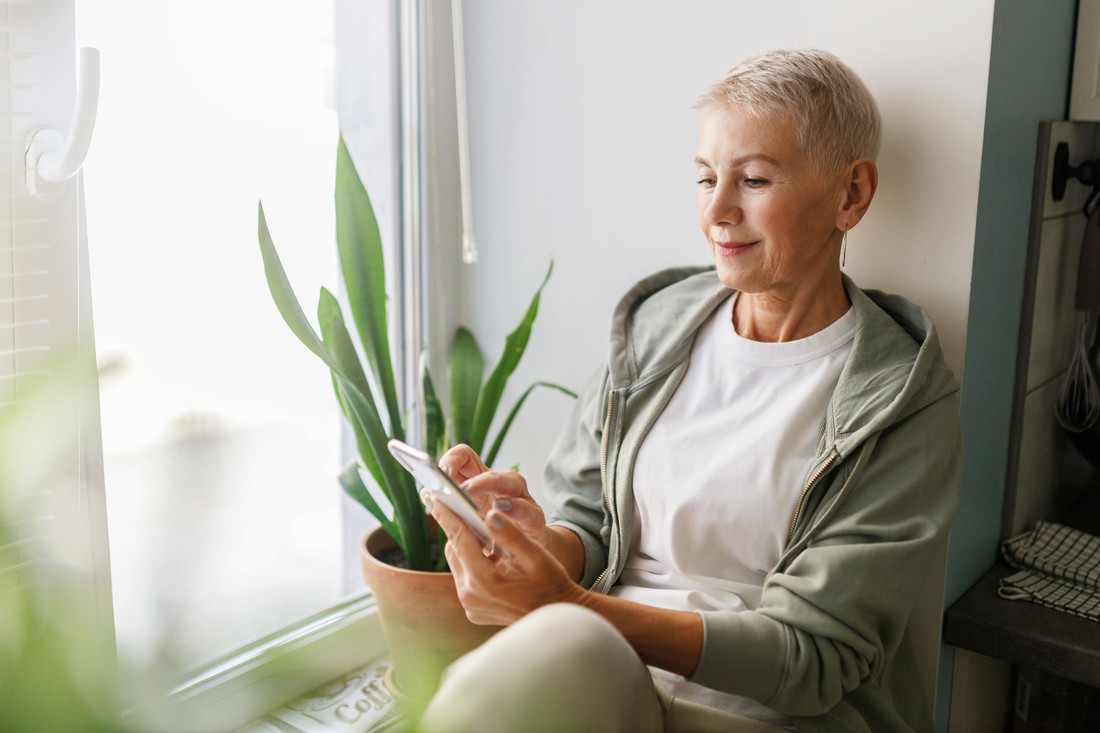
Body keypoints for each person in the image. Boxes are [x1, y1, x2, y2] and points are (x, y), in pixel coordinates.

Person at [418, 48, 962, 732]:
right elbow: (589, 522)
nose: (719, 213)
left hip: (770, 714)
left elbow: (816, 655)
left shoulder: (900, 397)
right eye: (707, 179)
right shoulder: (656, 328)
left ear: (851, 194)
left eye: (755, 179)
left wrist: (572, 606)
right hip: (610, 677)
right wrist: (535, 545)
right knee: (492, 690)